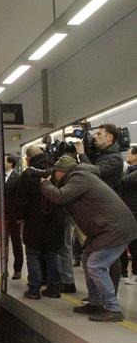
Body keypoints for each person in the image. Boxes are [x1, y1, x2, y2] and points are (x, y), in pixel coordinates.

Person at [40, 156, 137, 322]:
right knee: (86, 260)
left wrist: (44, 184)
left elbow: (60, 197)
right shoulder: (80, 177)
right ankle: (95, 302)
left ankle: (113, 309)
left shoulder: (79, 177)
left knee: (96, 264)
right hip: (106, 228)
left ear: (60, 172)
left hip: (115, 229)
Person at [75, 123, 124, 294]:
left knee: (107, 260)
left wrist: (81, 154)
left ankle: (109, 299)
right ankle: (97, 299)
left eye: (100, 134)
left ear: (110, 137)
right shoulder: (102, 155)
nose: (96, 137)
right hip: (99, 212)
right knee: (89, 257)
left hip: (108, 215)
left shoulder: (114, 158)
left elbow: (94, 173)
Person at [15, 145, 64, 299]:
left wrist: (19, 217)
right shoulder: (56, 170)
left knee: (33, 254)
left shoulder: (28, 174)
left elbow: (21, 199)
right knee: (52, 255)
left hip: (34, 221)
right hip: (55, 220)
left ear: (28, 158)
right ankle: (54, 288)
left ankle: (34, 289)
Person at [4, 154, 23, 280]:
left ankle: (17, 269)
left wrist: (19, 216)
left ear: (11, 163)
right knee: (3, 244)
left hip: (13, 217)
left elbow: (19, 198)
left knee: (16, 243)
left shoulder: (17, 178)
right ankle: (3, 269)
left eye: (5, 160)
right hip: (2, 217)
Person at [121, 146, 137, 285]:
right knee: (124, 243)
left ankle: (135, 273)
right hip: (128, 210)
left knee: (134, 244)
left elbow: (125, 181)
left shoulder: (134, 173)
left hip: (134, 211)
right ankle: (123, 272)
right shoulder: (129, 170)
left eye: (129, 153)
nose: (127, 155)